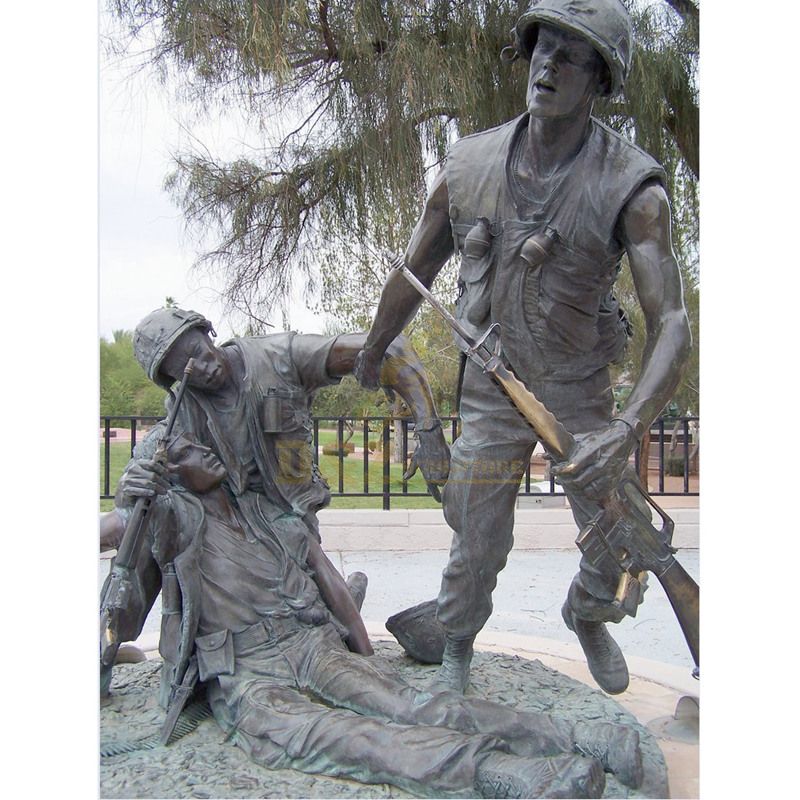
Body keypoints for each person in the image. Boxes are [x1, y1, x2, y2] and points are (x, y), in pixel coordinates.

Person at [354, 0, 691, 695]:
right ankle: (455, 656)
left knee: (618, 544)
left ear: (601, 78)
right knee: (476, 538)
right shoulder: (468, 165)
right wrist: (373, 347)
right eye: (543, 47)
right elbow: (416, 271)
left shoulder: (635, 189)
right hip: (493, 384)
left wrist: (626, 433)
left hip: (583, 396)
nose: (548, 64)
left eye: (571, 54)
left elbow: (674, 324)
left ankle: (587, 615)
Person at [102, 430, 645, 798]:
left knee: (407, 703)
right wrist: (131, 503)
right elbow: (114, 536)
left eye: (204, 444)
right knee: (338, 736)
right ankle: (504, 772)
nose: (206, 452)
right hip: (245, 671)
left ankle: (581, 736)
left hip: (305, 644)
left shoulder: (264, 512)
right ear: (168, 476)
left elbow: (332, 587)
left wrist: (365, 657)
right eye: (187, 454)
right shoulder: (170, 517)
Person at [114, 305, 452, 656]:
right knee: (149, 519)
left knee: (306, 553)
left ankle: (343, 631)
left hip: (286, 515)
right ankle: (109, 645)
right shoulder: (185, 406)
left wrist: (429, 432)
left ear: (207, 331)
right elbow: (148, 462)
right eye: (185, 371)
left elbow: (390, 348)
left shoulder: (281, 357)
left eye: (199, 352)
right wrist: (132, 483)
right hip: (226, 521)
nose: (201, 369)